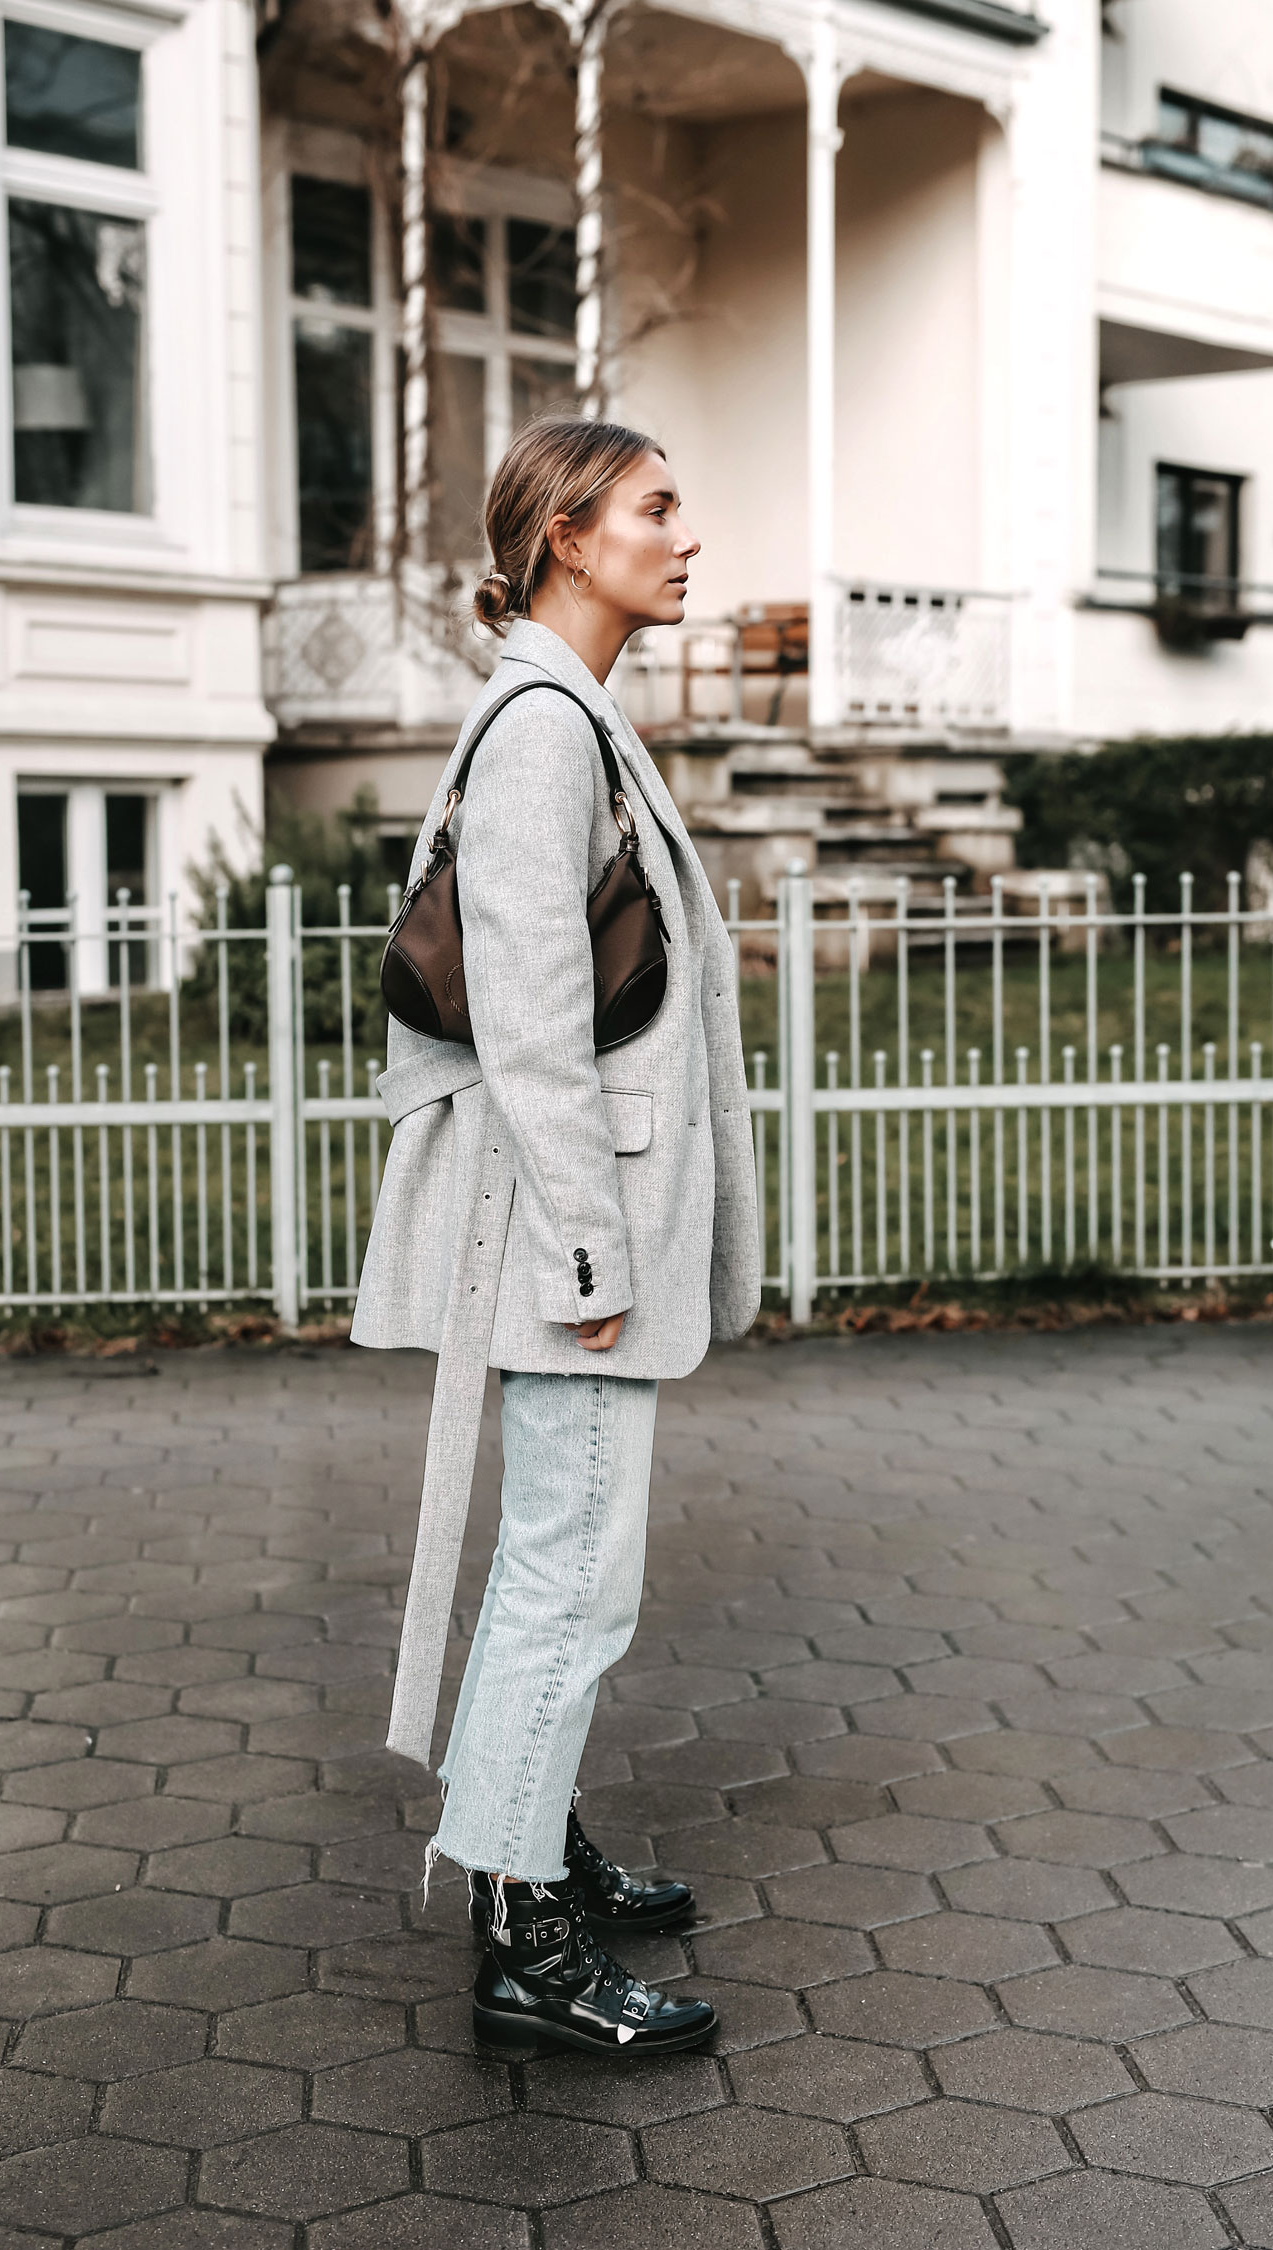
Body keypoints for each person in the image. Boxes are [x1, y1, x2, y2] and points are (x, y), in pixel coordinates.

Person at [351, 416, 760, 2058]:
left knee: (564, 1560)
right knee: (571, 1575)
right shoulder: (541, 728)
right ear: (570, 534)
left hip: (569, 1215)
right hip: (562, 1229)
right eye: (660, 505)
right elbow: (526, 1015)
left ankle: (535, 1832)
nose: (687, 533)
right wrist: (591, 1247)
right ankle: (523, 1939)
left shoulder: (564, 710)